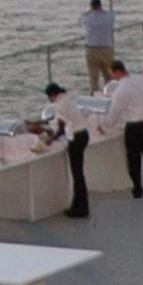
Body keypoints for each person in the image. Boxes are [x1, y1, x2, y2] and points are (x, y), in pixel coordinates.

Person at [104, 61, 143, 198]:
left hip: (134, 127)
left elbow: (114, 113)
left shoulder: (120, 90)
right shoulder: (140, 79)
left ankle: (137, 188)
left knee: (134, 159)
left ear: (116, 71)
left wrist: (105, 126)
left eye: (112, 74)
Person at [43, 82, 91, 217]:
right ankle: (80, 205)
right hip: (83, 134)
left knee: (77, 175)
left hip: (76, 138)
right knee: (79, 174)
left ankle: (80, 208)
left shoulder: (59, 105)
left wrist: (50, 140)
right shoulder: (67, 98)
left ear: (52, 95)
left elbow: (61, 129)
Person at [79, 0, 116, 93]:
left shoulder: (86, 18)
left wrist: (89, 11)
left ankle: (95, 96)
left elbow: (81, 18)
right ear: (100, 5)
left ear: (91, 6)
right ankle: (111, 93)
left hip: (91, 49)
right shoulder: (108, 16)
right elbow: (113, 15)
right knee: (109, 75)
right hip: (105, 48)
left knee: (93, 77)